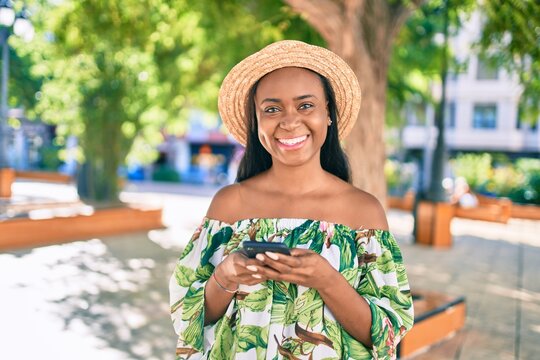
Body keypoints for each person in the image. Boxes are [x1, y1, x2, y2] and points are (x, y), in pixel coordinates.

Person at [170, 40, 414, 360]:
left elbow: (387, 333)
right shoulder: (229, 205)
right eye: (272, 109)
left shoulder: (362, 212)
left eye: (305, 105)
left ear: (328, 113)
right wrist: (225, 276)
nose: (289, 121)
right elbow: (190, 319)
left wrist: (327, 280)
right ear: (257, 122)